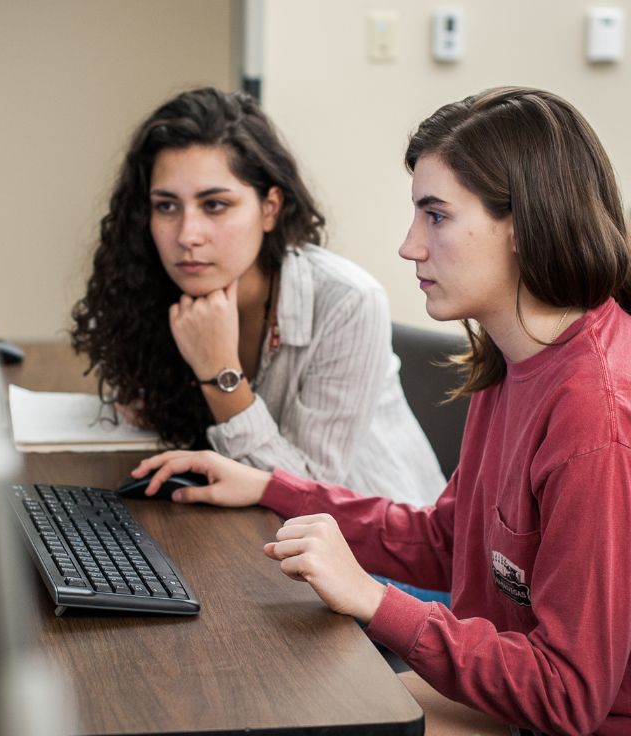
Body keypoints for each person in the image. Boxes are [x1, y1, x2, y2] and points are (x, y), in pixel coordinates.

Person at [129, 87, 631, 735]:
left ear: (524, 226)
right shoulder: (512, 355)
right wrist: (271, 487)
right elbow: (448, 543)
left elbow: (568, 697)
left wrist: (371, 598)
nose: (409, 245)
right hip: (509, 694)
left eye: (436, 216)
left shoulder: (598, 415)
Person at [72, 87, 444, 505]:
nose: (186, 235)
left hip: (378, 549)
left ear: (269, 208)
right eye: (166, 207)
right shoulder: (163, 286)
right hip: (255, 533)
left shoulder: (348, 300)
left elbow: (309, 489)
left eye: (214, 205)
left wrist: (218, 373)